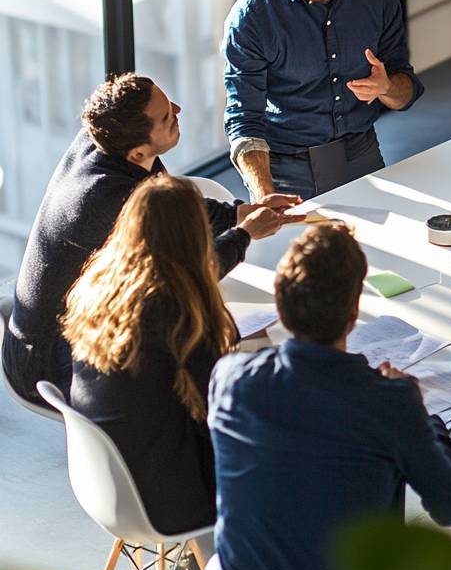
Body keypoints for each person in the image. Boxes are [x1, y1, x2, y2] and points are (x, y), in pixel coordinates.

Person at [207, 221, 451, 570]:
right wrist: (422, 413)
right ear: (352, 316)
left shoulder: (229, 377)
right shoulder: (387, 402)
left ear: (279, 308)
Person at [2, 73, 297, 404]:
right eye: (167, 116)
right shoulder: (109, 199)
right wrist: (244, 234)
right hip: (53, 362)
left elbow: (179, 212)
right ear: (137, 154)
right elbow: (183, 279)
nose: (178, 109)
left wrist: (243, 212)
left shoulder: (106, 138)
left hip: (83, 321)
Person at [63, 176, 239, 537]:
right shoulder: (173, 308)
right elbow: (222, 401)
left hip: (107, 482)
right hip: (166, 501)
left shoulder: (101, 282)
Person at [223, 0, 424, 202]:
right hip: (285, 171)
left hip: (363, 154)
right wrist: (264, 195)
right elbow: (244, 121)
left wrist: (385, 87)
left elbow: (406, 91)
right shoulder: (252, 18)